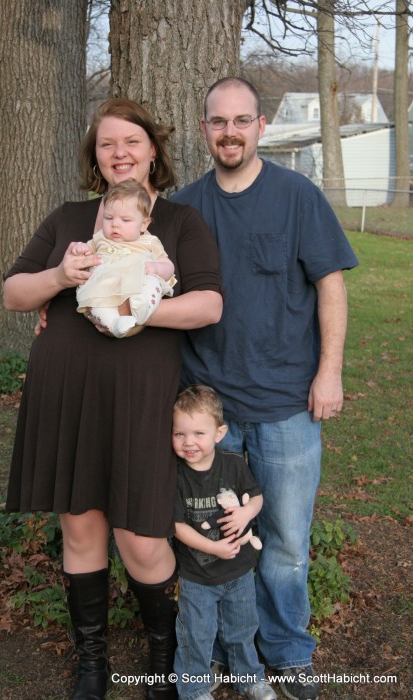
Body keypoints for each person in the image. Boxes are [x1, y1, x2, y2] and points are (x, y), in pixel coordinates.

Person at [3, 97, 223, 700]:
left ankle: (162, 659)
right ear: (95, 156)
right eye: (107, 144)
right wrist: (59, 280)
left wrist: (133, 313)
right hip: (67, 395)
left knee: (142, 536)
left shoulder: (178, 223)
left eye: (131, 141)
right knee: (81, 528)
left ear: (153, 149)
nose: (120, 153)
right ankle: (92, 664)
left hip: (140, 398)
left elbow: (208, 305)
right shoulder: (70, 218)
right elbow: (13, 293)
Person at [172, 77, 359, 700]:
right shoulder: (183, 208)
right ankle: (233, 650)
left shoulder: (296, 196)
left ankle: (286, 652)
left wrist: (329, 371)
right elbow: (140, 283)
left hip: (286, 405)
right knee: (220, 540)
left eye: (242, 120)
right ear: (205, 129)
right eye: (218, 121)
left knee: (282, 541)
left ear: (259, 127)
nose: (230, 131)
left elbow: (330, 284)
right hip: (209, 412)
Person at [172, 385, 277, 700]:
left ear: (220, 433)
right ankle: (194, 689)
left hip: (240, 572)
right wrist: (214, 548)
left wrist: (246, 513)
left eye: (198, 433)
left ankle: (249, 678)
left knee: (243, 630)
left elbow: (257, 497)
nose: (189, 442)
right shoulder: (176, 476)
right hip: (197, 578)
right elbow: (177, 526)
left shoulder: (233, 464)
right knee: (196, 636)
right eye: (179, 434)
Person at [74, 179, 176, 338]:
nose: (115, 224)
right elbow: (86, 251)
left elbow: (168, 266)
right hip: (105, 287)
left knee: (152, 282)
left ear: (144, 224)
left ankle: (142, 307)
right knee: (95, 302)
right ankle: (114, 323)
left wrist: (156, 268)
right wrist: (80, 248)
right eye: (108, 218)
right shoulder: (100, 238)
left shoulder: (149, 242)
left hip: (137, 284)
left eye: (125, 220)